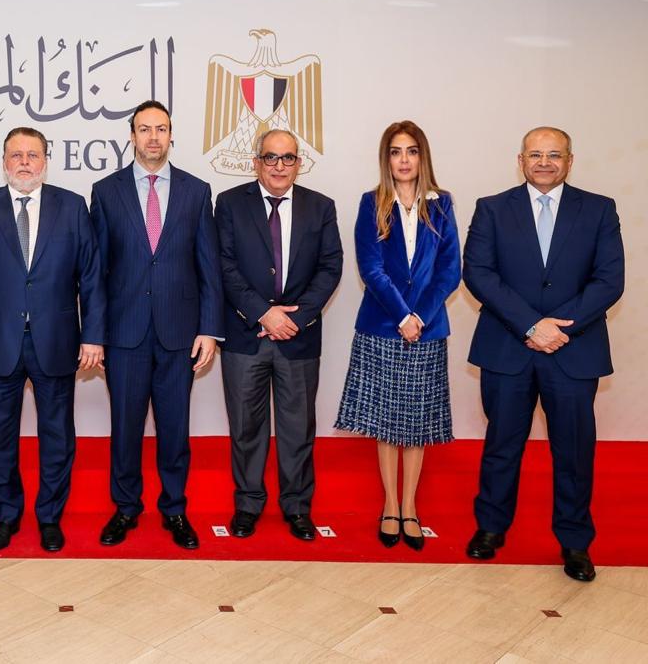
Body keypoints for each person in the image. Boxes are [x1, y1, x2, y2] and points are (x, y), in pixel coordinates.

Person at [463, 126, 623, 583]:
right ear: (521, 161)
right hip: (508, 347)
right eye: (536, 154)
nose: (545, 162)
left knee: (574, 450)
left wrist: (558, 328)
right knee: (502, 444)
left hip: (574, 349)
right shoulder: (492, 208)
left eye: (555, 154)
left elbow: (609, 280)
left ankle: (575, 542)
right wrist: (532, 325)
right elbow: (479, 273)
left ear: (570, 160)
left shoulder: (599, 209)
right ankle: (491, 528)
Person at [0, 127, 105, 552]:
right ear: (3, 161)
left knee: (57, 436)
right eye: (15, 154)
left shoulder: (72, 207)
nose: (24, 162)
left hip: (57, 341)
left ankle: (50, 517)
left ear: (45, 162)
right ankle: (5, 515)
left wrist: (93, 336)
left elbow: (91, 278)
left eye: (32, 155)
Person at [89, 100, 222, 550]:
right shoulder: (105, 192)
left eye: (160, 129)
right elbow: (96, 273)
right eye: (144, 129)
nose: (152, 137)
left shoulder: (196, 191)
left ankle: (175, 509)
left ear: (171, 135)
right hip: (124, 333)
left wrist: (209, 329)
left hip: (179, 334)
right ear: (132, 136)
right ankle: (126, 508)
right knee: (125, 428)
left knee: (174, 428)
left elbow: (208, 267)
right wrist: (95, 334)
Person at [334, 121, 461, 551]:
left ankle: (410, 506)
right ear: (385, 158)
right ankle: (390, 504)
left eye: (411, 151)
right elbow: (370, 268)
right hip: (383, 326)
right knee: (388, 423)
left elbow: (450, 270)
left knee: (417, 423)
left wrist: (419, 316)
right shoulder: (371, 203)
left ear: (422, 156)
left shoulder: (442, 203)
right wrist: (402, 315)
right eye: (395, 151)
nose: (403, 160)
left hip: (427, 330)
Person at [214, 129, 342, 541]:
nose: (279, 166)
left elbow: (330, 267)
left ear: (298, 164)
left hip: (298, 338)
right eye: (270, 157)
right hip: (245, 335)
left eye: (288, 158)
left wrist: (296, 319)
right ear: (256, 162)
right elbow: (224, 265)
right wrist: (263, 313)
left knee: (297, 429)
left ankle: (297, 507)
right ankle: (248, 505)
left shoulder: (320, 207)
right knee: (245, 427)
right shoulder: (229, 204)